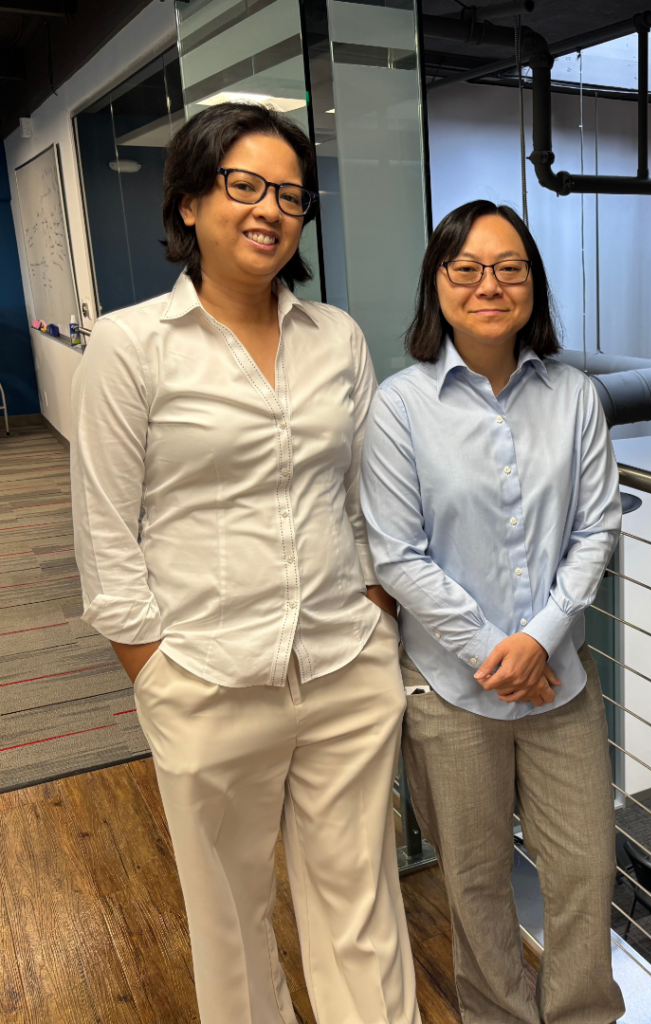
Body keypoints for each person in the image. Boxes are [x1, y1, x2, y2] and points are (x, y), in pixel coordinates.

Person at [70, 103, 418, 1024]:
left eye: (291, 195)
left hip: (345, 660)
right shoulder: (129, 345)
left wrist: (379, 603)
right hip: (206, 675)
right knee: (228, 921)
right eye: (245, 186)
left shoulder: (334, 337)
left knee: (362, 909)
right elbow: (106, 529)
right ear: (190, 202)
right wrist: (154, 671)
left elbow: (364, 495)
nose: (270, 209)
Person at [360, 199, 625, 1024]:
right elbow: (397, 554)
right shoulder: (400, 407)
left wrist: (539, 639)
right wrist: (494, 652)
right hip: (452, 689)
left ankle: (582, 1014)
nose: (489, 285)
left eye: (510, 268)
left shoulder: (575, 394)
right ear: (436, 284)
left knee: (584, 866)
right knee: (473, 877)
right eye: (466, 268)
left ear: (533, 287)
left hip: (559, 684)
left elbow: (597, 525)